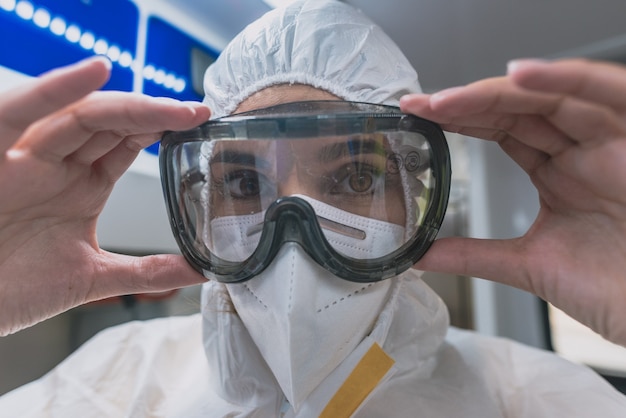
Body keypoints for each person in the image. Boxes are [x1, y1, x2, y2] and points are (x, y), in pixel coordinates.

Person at [0, 1, 625, 417]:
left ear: (413, 202)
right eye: (243, 185)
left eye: (355, 176)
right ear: (199, 204)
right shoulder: (114, 382)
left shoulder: (538, 399)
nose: (294, 239)